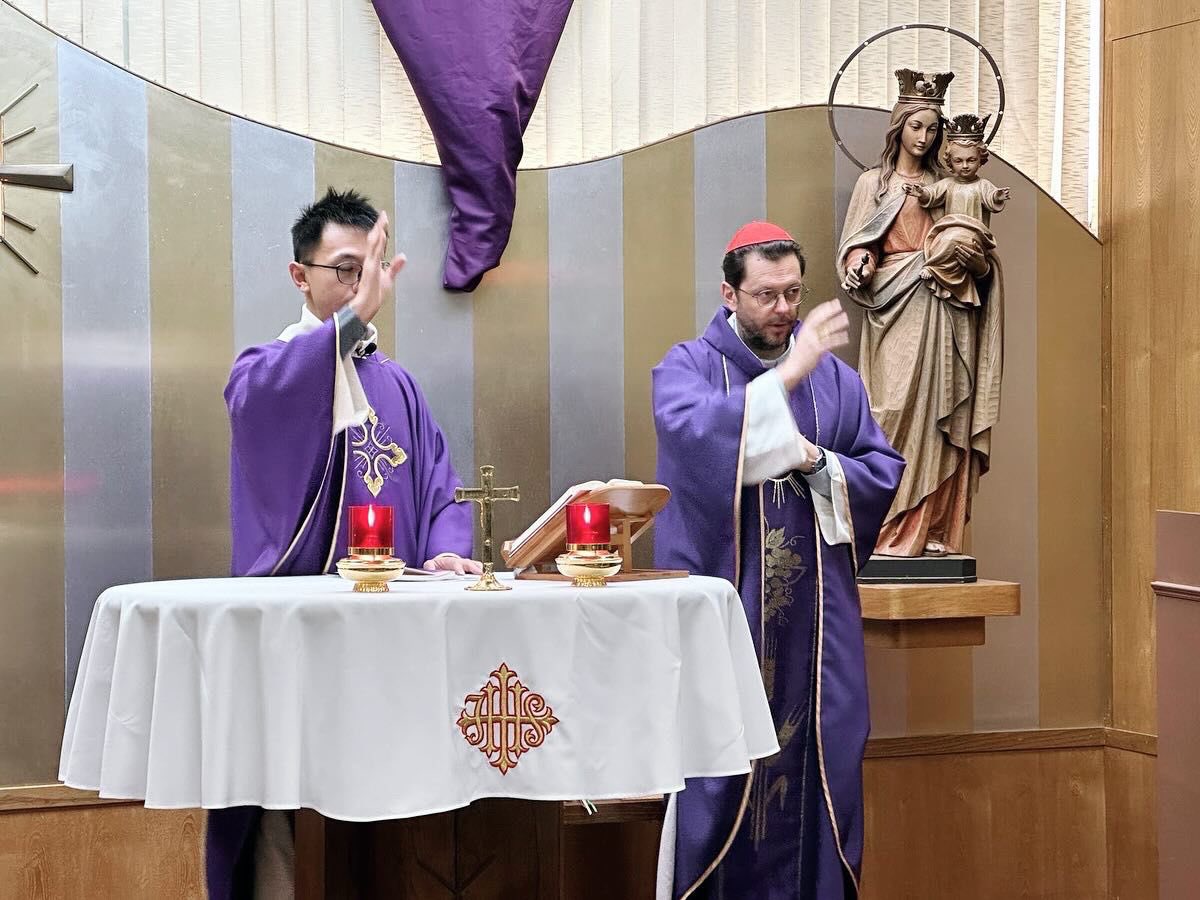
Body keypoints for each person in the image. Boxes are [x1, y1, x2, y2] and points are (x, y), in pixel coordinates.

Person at [207, 188, 480, 899]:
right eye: (345, 270)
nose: (362, 286)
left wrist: (448, 547)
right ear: (300, 276)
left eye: (372, 271)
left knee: (389, 817)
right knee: (291, 804)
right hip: (301, 637)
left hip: (393, 638)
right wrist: (354, 320)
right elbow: (257, 402)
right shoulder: (269, 370)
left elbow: (441, 485)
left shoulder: (399, 387)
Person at [653, 221, 904, 899]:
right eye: (766, 295)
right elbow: (691, 435)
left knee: (827, 771)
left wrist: (817, 461)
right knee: (722, 781)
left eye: (794, 293)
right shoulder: (687, 368)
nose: (785, 309)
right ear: (729, 294)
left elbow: (882, 469)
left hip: (818, 637)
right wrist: (785, 379)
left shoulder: (840, 385)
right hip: (728, 620)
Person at [839, 69, 1004, 558]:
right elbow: (858, 243)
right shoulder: (874, 183)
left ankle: (929, 527)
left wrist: (975, 261)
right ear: (900, 126)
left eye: (933, 129)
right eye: (916, 126)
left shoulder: (948, 182)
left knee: (939, 416)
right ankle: (884, 529)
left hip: (944, 307)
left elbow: (978, 247)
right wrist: (859, 263)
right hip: (894, 304)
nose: (925, 137)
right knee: (887, 411)